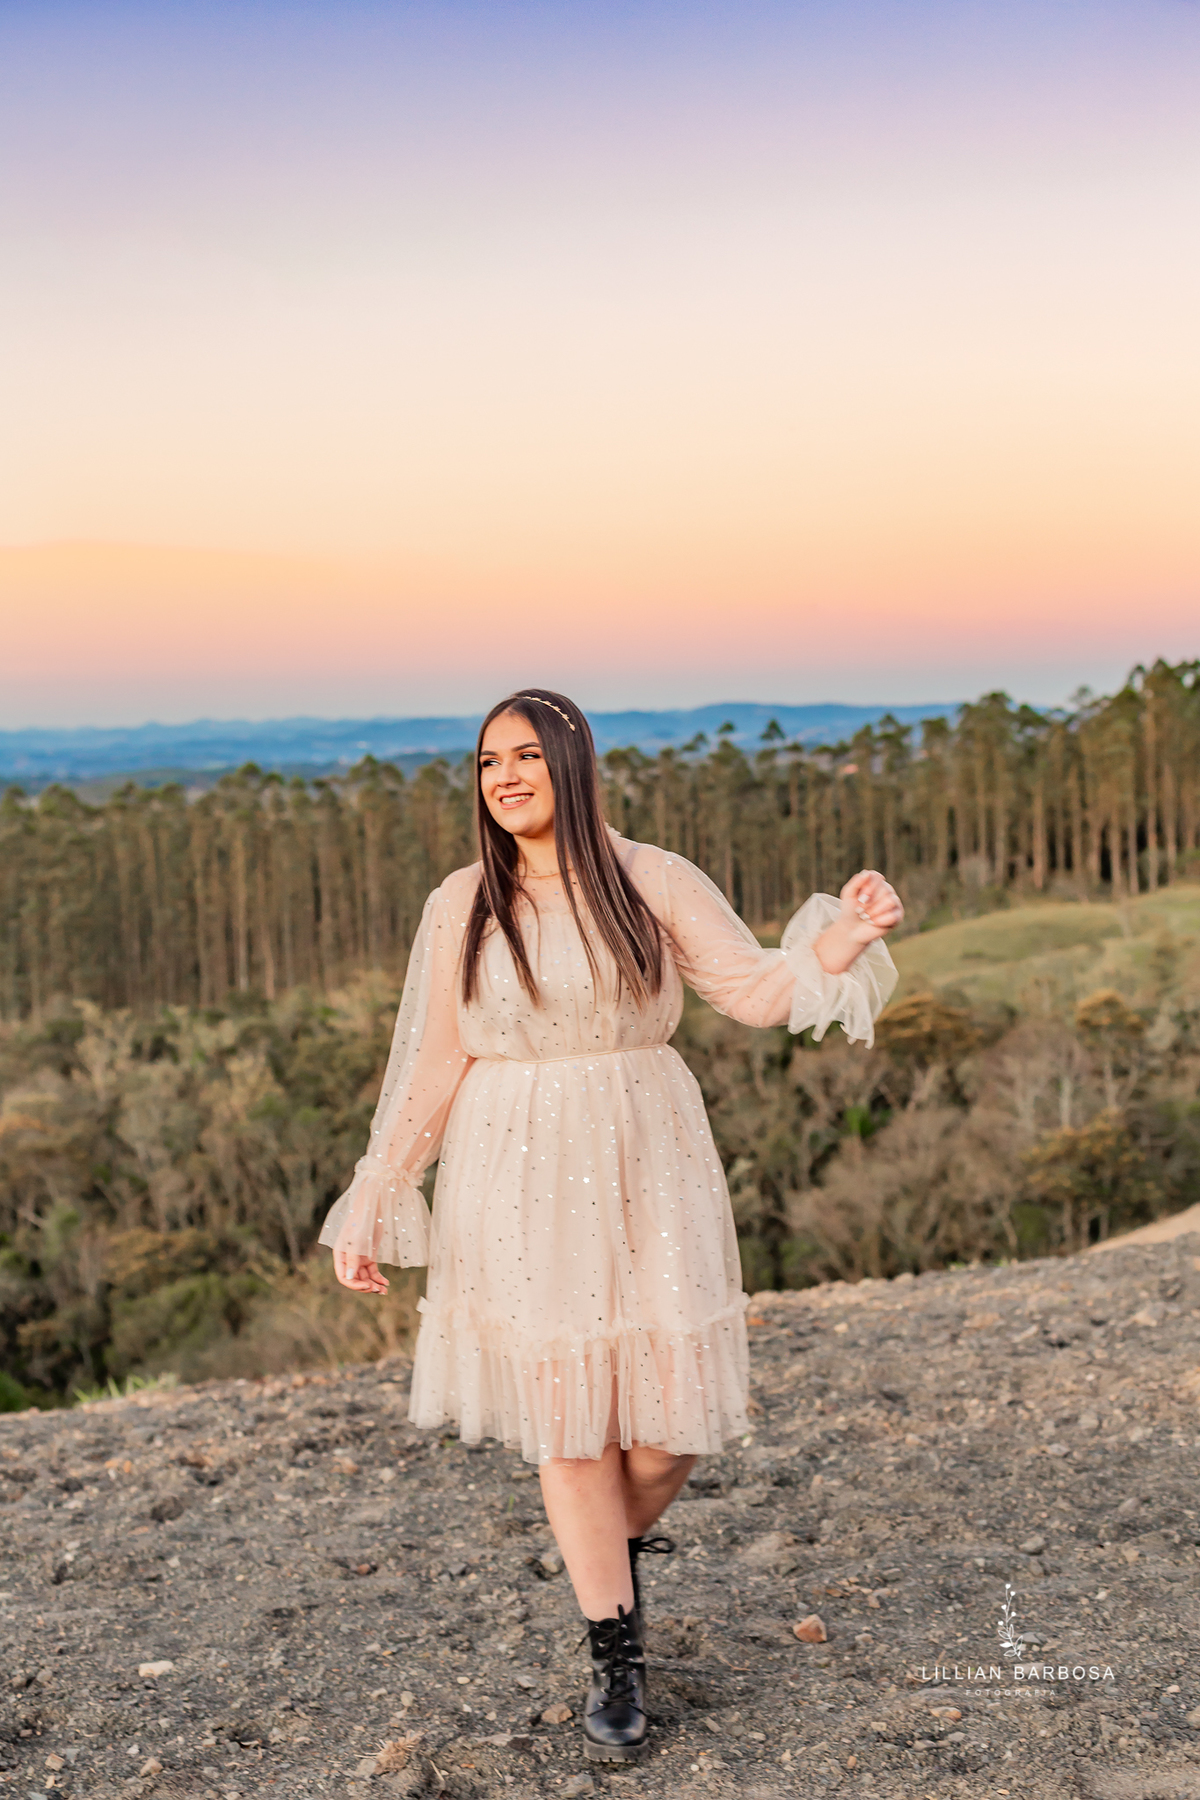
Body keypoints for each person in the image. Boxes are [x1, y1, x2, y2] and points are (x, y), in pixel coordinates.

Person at [321, 687, 902, 1763]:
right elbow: (432, 1064)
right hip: (514, 1165)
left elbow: (756, 990)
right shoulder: (463, 902)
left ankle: (605, 1552)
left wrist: (843, 940)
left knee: (672, 1422)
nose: (505, 777)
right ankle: (615, 1651)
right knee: (570, 1418)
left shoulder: (654, 877)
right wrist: (379, 1190)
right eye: (489, 760)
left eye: (528, 757)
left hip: (648, 1152)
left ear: (576, 766)